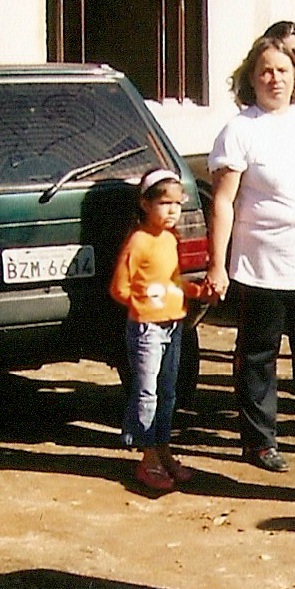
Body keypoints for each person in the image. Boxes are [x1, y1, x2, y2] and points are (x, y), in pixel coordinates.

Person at [208, 35, 295, 472]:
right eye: (265, 71)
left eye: (283, 71)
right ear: (251, 77)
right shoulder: (239, 129)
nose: (275, 79)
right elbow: (223, 201)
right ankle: (260, 441)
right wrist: (218, 263)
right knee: (258, 355)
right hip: (258, 265)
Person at [110, 169, 207, 493]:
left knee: (168, 391)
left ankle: (163, 449)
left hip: (174, 324)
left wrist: (194, 291)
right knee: (147, 391)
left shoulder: (170, 239)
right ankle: (147, 456)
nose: (172, 211)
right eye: (164, 203)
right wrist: (142, 306)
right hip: (147, 328)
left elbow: (172, 280)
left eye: (177, 204)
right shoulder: (138, 240)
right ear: (144, 204)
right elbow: (119, 288)